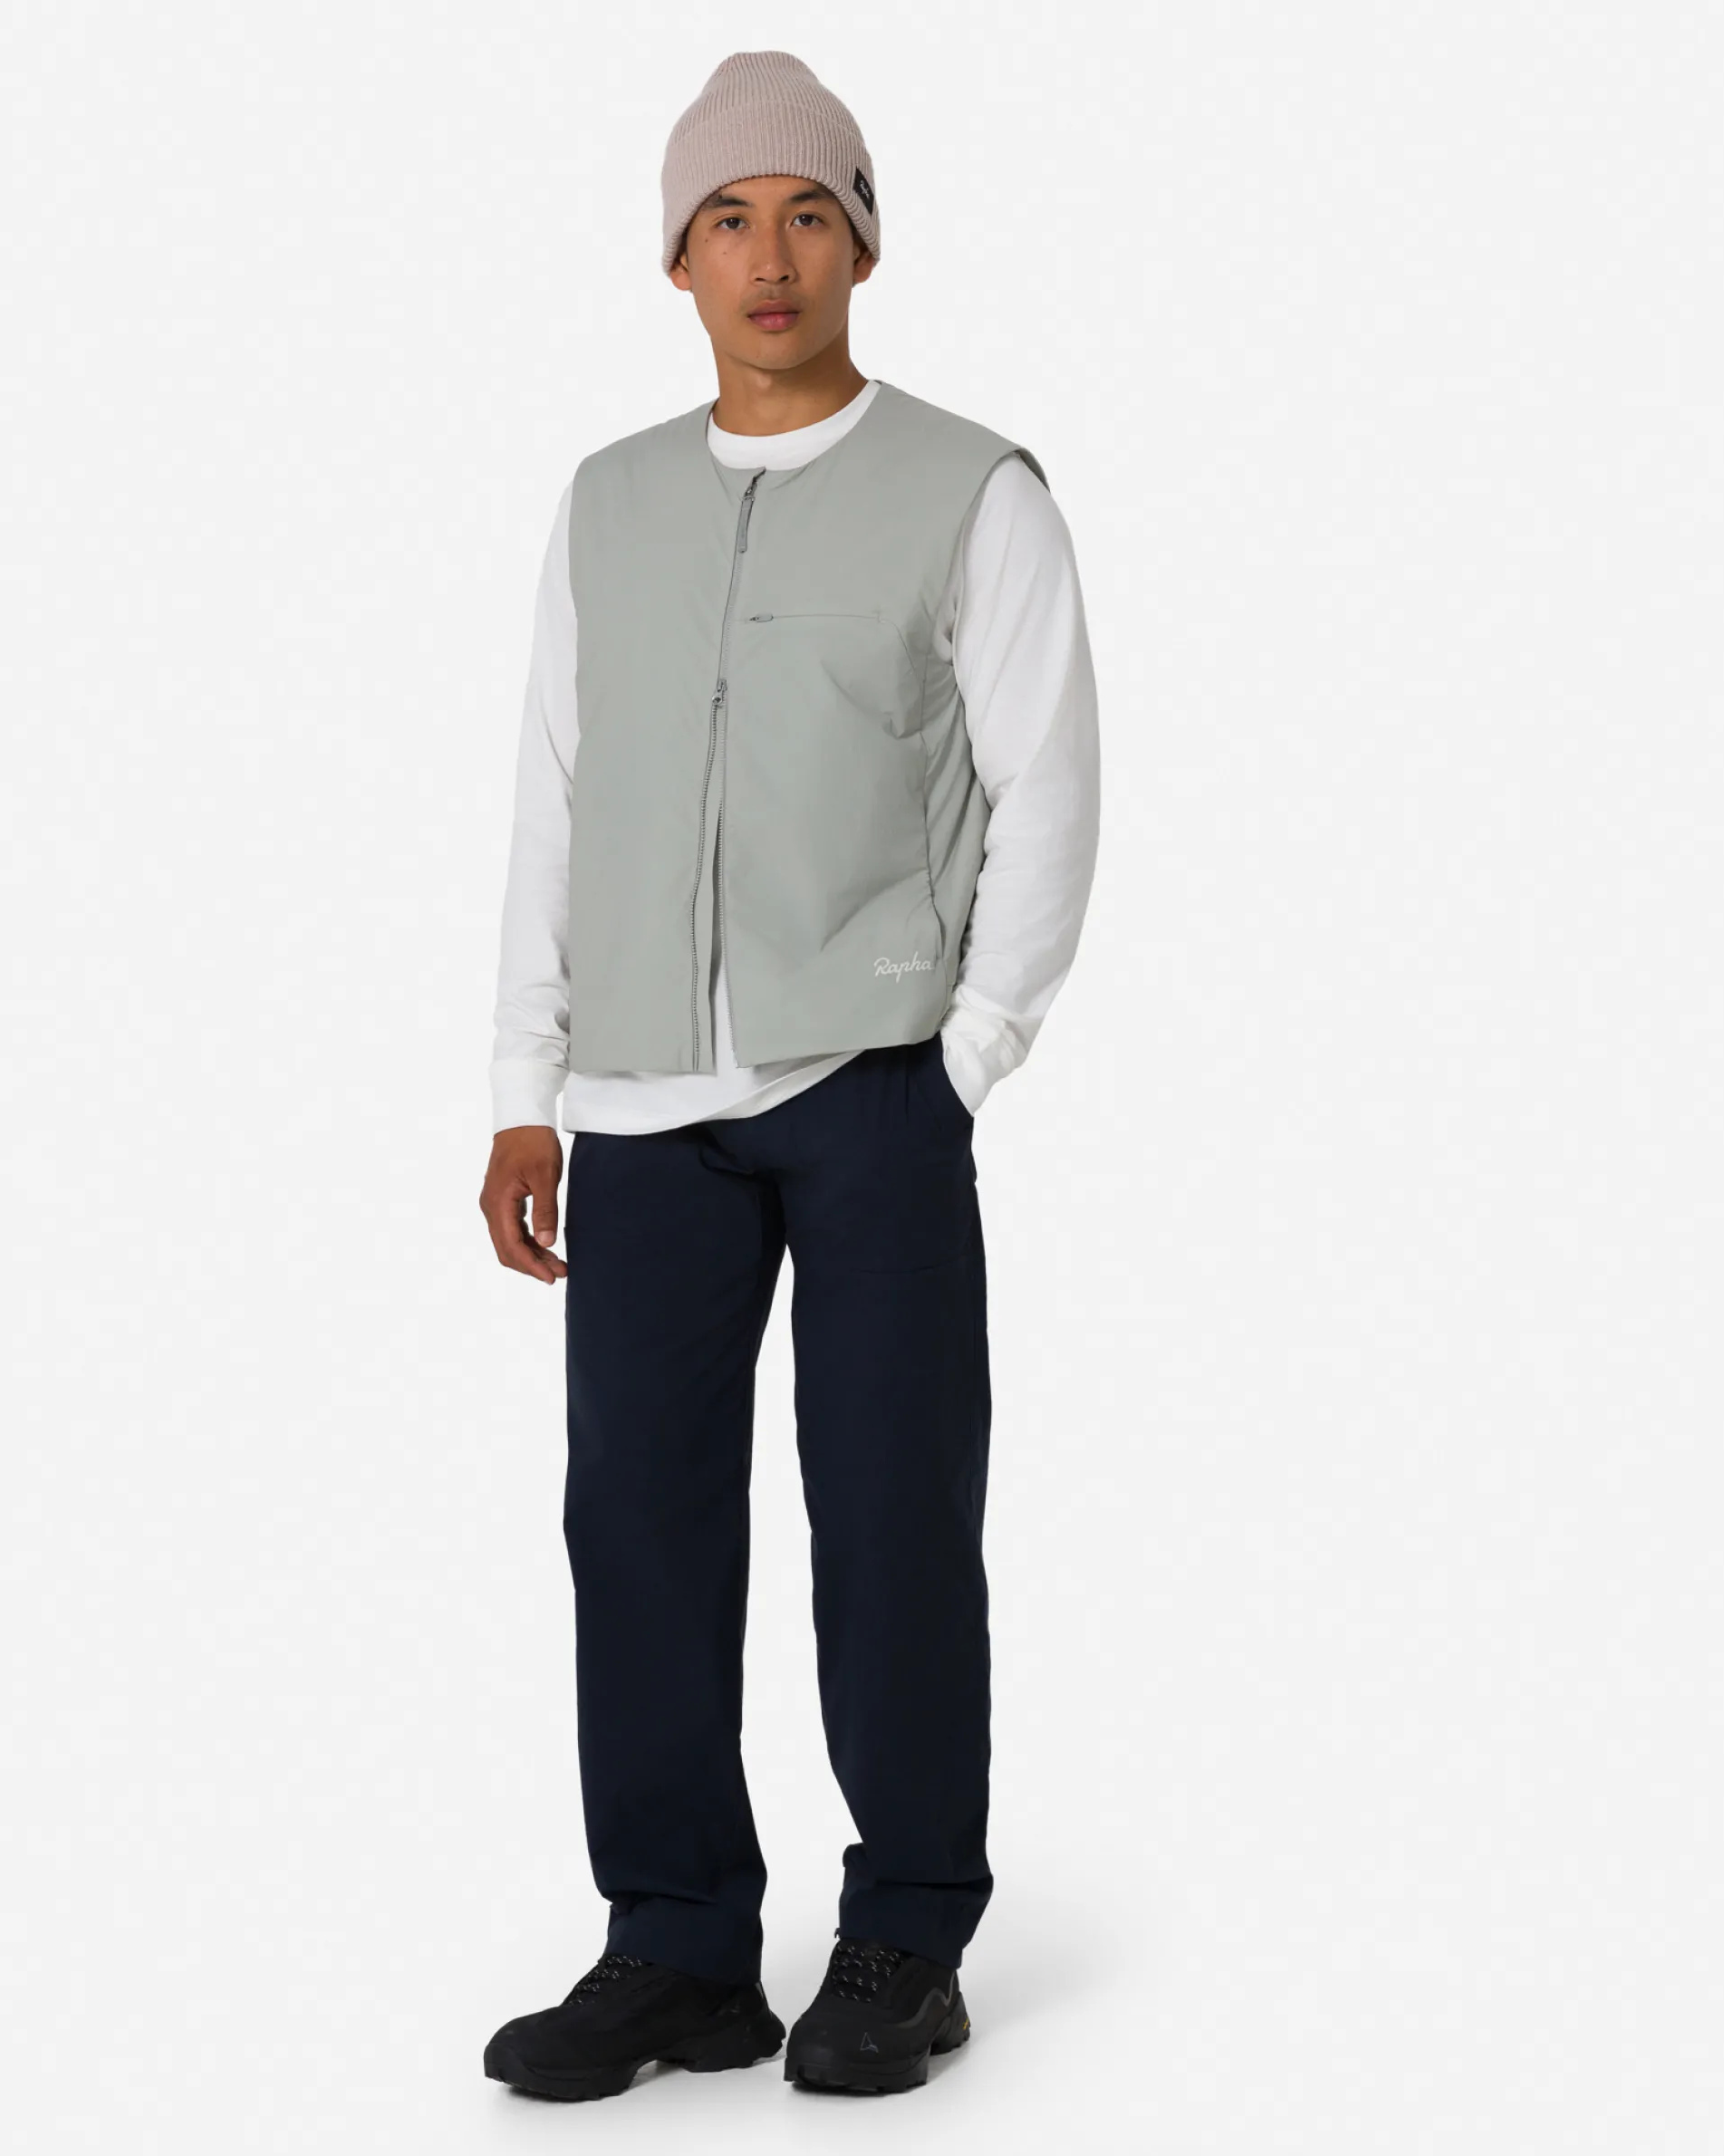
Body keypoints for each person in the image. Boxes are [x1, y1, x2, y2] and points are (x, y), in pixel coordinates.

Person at [477, 49, 1101, 2101]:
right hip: (641, 1100)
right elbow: (557, 791)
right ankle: (675, 1946)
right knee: (638, 1526)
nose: (771, 256)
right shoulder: (608, 502)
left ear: (862, 246)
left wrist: (966, 1058)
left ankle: (907, 1930)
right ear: (675, 260)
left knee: (892, 1514)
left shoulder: (972, 491)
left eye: (809, 214)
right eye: (728, 219)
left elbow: (1048, 787)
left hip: (872, 1088)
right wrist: (525, 1078)